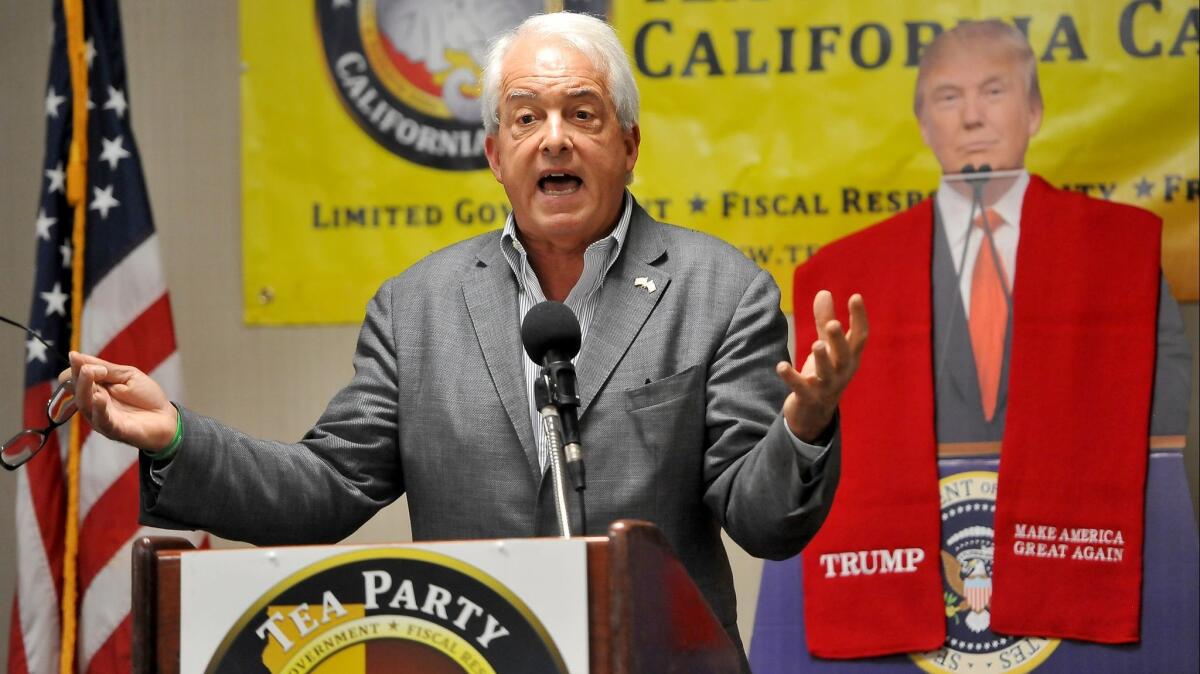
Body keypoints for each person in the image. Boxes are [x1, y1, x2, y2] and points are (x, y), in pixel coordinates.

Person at [63, 12, 867, 662]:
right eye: (527, 118)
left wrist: (806, 422)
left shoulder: (720, 290)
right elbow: (326, 488)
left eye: (581, 114)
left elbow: (764, 521)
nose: (553, 138)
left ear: (628, 145)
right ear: (494, 154)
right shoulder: (417, 309)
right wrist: (174, 437)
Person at [786, 19, 1192, 662]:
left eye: (994, 92)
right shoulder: (848, 275)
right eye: (949, 98)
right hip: (901, 601)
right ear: (924, 125)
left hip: (1098, 586)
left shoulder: (1121, 254)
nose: (972, 116)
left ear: (1033, 110)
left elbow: (1166, 424)